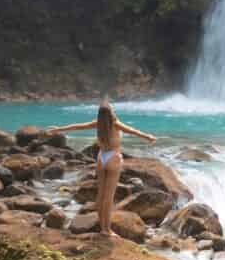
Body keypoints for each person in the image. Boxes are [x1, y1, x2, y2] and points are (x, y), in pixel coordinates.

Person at [58, 100, 158, 238]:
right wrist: (149, 137)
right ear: (110, 112)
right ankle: (107, 229)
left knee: (101, 195)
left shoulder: (98, 124)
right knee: (108, 197)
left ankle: (102, 227)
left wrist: (57, 129)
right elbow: (133, 131)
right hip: (113, 158)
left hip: (101, 157)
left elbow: (77, 126)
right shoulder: (115, 124)